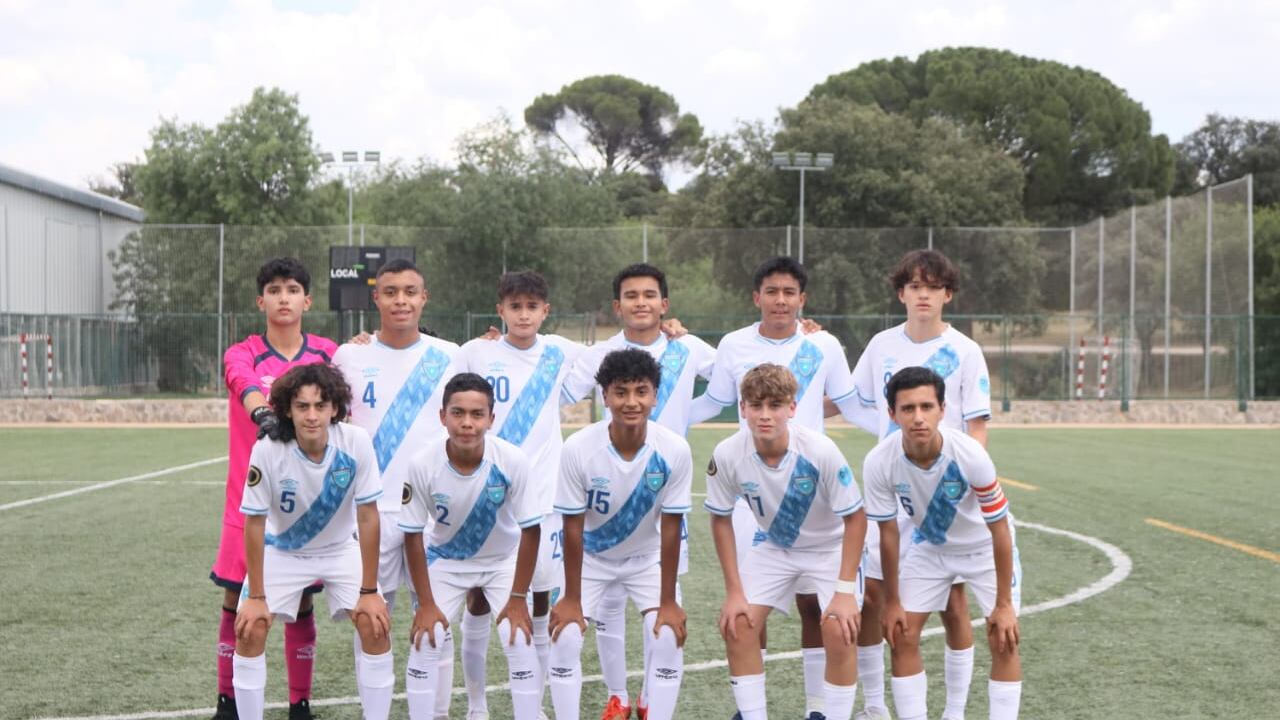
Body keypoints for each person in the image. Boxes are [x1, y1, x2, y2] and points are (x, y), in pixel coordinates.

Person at [691, 256, 870, 719]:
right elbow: (711, 400)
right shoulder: (729, 445)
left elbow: (849, 404)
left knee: (832, 621)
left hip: (820, 523)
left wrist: (899, 432)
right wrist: (658, 421)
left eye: (789, 292)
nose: (780, 300)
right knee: (741, 619)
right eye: (771, 291)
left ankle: (822, 711)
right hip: (768, 526)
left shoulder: (822, 349)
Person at [560, 263, 714, 720]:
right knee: (603, 613)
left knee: (663, 628)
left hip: (656, 489)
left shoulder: (687, 347)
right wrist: (500, 342)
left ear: (664, 303)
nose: (640, 303)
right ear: (617, 305)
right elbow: (557, 386)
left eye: (649, 295)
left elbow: (736, 375)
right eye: (631, 295)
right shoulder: (600, 356)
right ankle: (618, 697)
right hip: (605, 500)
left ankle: (649, 700)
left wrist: (803, 330)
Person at [847, 250, 993, 720]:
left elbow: (977, 426)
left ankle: (954, 711)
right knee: (874, 596)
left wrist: (961, 485)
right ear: (901, 294)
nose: (923, 294)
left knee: (953, 601)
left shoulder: (966, 351)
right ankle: (874, 705)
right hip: (893, 486)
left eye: (932, 287)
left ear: (947, 294)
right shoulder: (881, 345)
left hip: (944, 495)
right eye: (914, 286)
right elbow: (848, 398)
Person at [332, 258, 462, 715]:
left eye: (410, 291)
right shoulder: (350, 357)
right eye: (391, 292)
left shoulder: (451, 355)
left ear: (424, 298)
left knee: (437, 625)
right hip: (372, 512)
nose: (400, 300)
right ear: (376, 299)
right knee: (372, 621)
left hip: (435, 514)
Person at [704, 364, 868, 720]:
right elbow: (719, 519)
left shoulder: (820, 451)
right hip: (776, 546)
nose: (765, 415)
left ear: (792, 408)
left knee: (839, 627)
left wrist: (844, 591)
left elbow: (856, 518)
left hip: (831, 547)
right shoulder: (727, 454)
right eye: (756, 405)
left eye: (775, 405)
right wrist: (734, 591)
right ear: (742, 408)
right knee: (738, 622)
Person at [457, 271, 586, 719]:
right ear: (501, 310)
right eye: (515, 306)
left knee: (540, 601)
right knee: (478, 599)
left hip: (543, 503)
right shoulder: (476, 352)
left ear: (545, 311)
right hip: (487, 500)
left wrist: (670, 330)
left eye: (532, 306)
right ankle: (476, 707)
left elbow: (621, 347)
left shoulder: (561, 351)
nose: (524, 314)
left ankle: (536, 705)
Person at [213, 257, 337, 720]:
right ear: (260, 301)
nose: (283, 298)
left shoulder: (329, 353)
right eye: (274, 290)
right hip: (246, 505)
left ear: (307, 300)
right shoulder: (243, 351)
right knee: (236, 601)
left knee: (301, 601)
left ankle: (299, 704)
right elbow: (241, 381)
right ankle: (227, 700)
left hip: (305, 508)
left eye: (292, 290)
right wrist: (263, 412)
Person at [232, 363, 392, 720]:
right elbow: (254, 522)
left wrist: (369, 591)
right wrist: (256, 597)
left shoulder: (356, 442)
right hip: (282, 550)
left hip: (340, 549)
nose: (312, 415)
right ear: (288, 410)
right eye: (302, 406)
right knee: (249, 628)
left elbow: (368, 516)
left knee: (374, 623)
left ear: (335, 408)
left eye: (320, 406)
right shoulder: (268, 449)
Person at [862, 367, 1021, 720]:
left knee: (1003, 637)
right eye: (907, 409)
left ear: (942, 410)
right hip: (932, 548)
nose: (918, 417)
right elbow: (888, 533)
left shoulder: (969, 454)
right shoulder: (879, 462)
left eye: (926, 407)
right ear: (892, 414)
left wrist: (1004, 604)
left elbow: (999, 529)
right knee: (901, 633)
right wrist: (892, 601)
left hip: (984, 549)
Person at [548, 349, 693, 720]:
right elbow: (572, 526)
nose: (631, 402)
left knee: (667, 636)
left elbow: (672, 527)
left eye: (641, 391)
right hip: (592, 559)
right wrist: (572, 598)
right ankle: (614, 700)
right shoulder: (578, 448)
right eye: (621, 392)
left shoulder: (674, 449)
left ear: (655, 396)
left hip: (646, 560)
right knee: (564, 636)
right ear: (605, 396)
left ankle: (652, 710)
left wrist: (668, 600)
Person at [399, 373, 545, 719]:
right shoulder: (422, 464)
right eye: (458, 413)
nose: (467, 423)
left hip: (502, 561)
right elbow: (412, 535)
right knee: (426, 639)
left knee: (518, 638)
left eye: (477, 414)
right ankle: (472, 711)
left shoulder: (511, 460)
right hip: (447, 560)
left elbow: (531, 530)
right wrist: (426, 604)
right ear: (442, 416)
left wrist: (518, 598)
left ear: (491, 419)